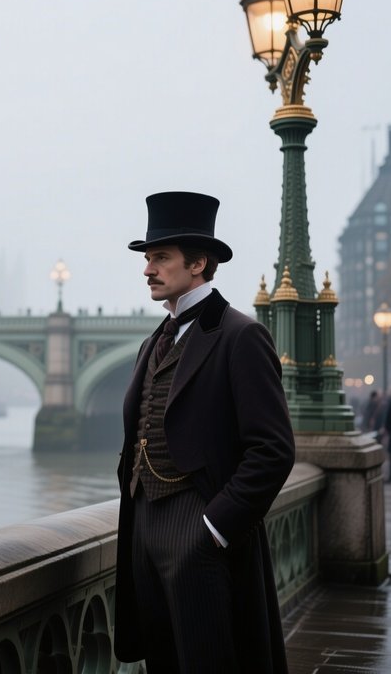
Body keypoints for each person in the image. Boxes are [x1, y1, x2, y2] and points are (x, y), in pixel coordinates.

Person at [114, 191, 296, 673]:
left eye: (160, 258)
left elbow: (273, 450)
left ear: (197, 264)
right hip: (144, 526)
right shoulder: (154, 340)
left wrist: (214, 528)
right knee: (165, 661)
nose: (148, 269)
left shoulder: (241, 335)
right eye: (148, 258)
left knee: (211, 659)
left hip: (201, 526)